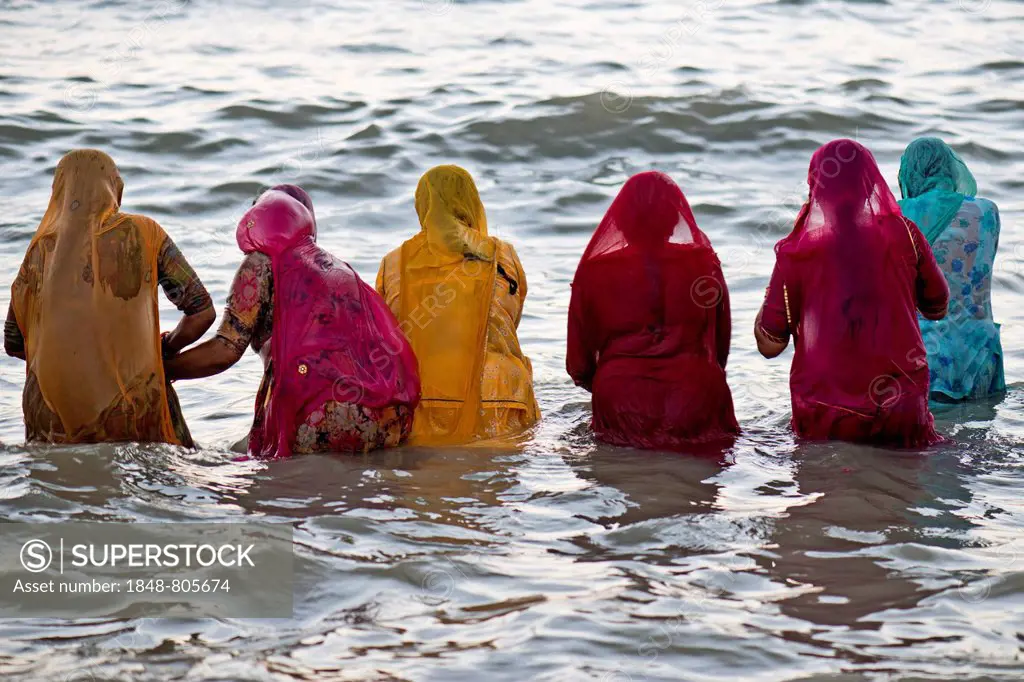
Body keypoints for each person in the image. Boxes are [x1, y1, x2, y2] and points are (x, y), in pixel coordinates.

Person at [166, 186, 419, 458]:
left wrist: (163, 370)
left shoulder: (258, 264)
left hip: (318, 416)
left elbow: (226, 349)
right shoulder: (336, 268)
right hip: (387, 415)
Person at [4, 149, 213, 446]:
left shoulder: (39, 253)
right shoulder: (145, 234)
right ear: (115, 190)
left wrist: (74, 358)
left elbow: (14, 342)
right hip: (130, 406)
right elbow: (202, 311)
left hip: (51, 415)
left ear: (59, 194)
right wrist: (164, 349)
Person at [754, 139, 949, 448]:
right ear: (870, 182)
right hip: (900, 409)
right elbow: (938, 307)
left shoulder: (798, 250)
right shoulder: (905, 234)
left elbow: (770, 343)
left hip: (826, 414)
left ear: (815, 186)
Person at [566, 171, 739, 451]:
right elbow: (720, 346)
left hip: (622, 401)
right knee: (698, 486)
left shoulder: (594, 271)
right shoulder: (704, 263)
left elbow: (579, 366)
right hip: (695, 396)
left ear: (620, 221)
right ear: (675, 219)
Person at [376, 165, 540, 446]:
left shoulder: (394, 261)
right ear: (472, 203)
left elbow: (385, 331)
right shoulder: (503, 255)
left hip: (417, 399)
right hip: (497, 395)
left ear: (422, 207)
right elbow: (510, 319)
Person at [898, 137, 1004, 402]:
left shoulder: (895, 217)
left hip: (924, 355)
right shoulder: (987, 211)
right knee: (977, 437)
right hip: (981, 353)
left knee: (931, 437)